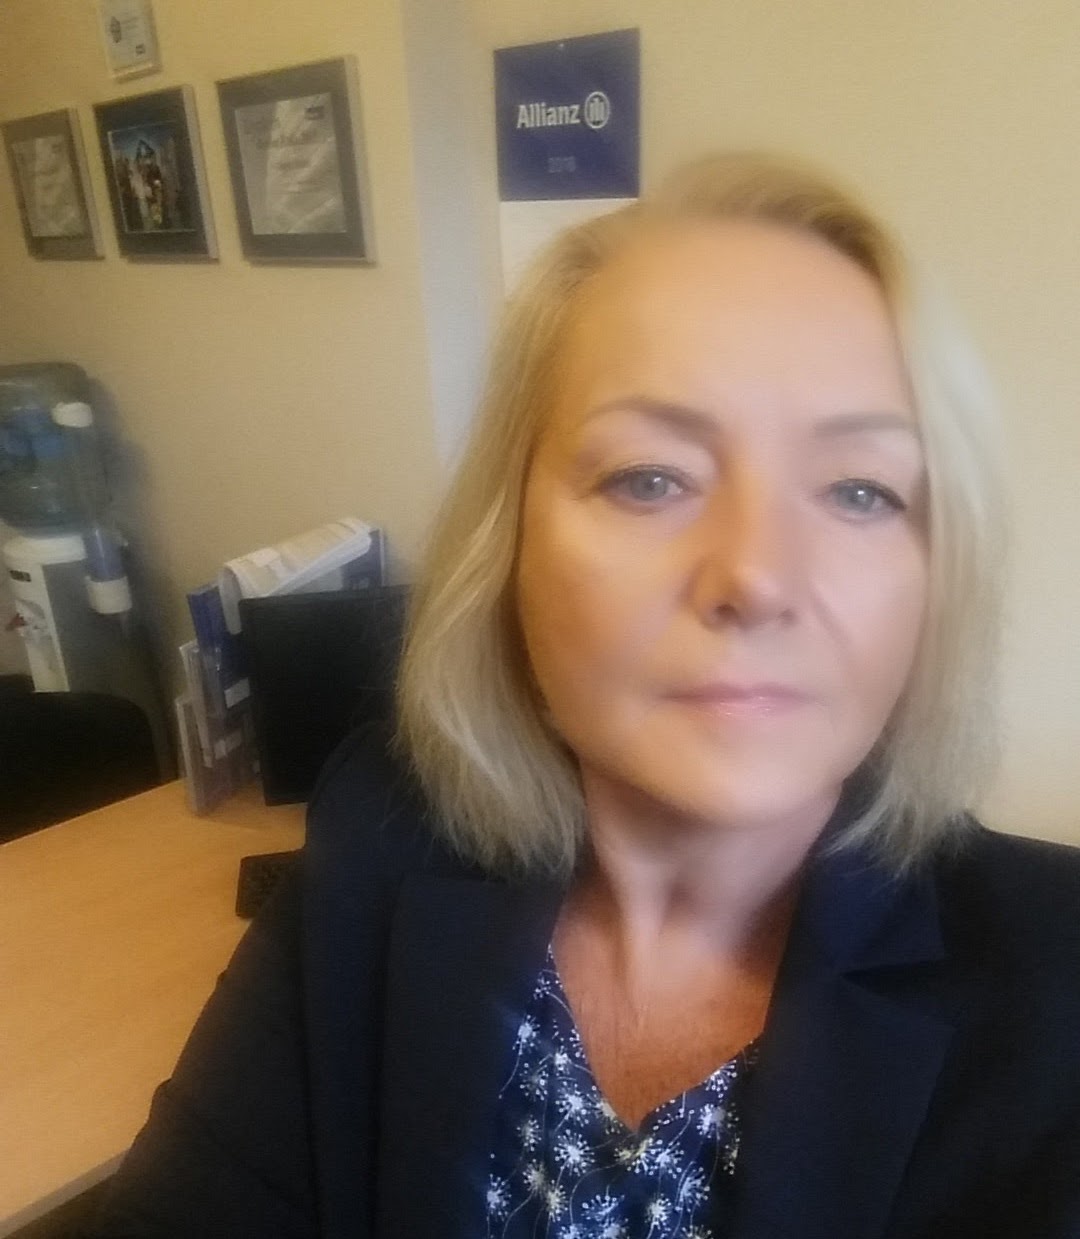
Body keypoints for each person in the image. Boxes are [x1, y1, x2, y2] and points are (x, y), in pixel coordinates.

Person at [94, 153, 1080, 1238]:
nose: (756, 576)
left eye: (860, 490)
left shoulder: (1059, 985)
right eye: (650, 478)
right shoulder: (384, 837)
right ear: (510, 544)